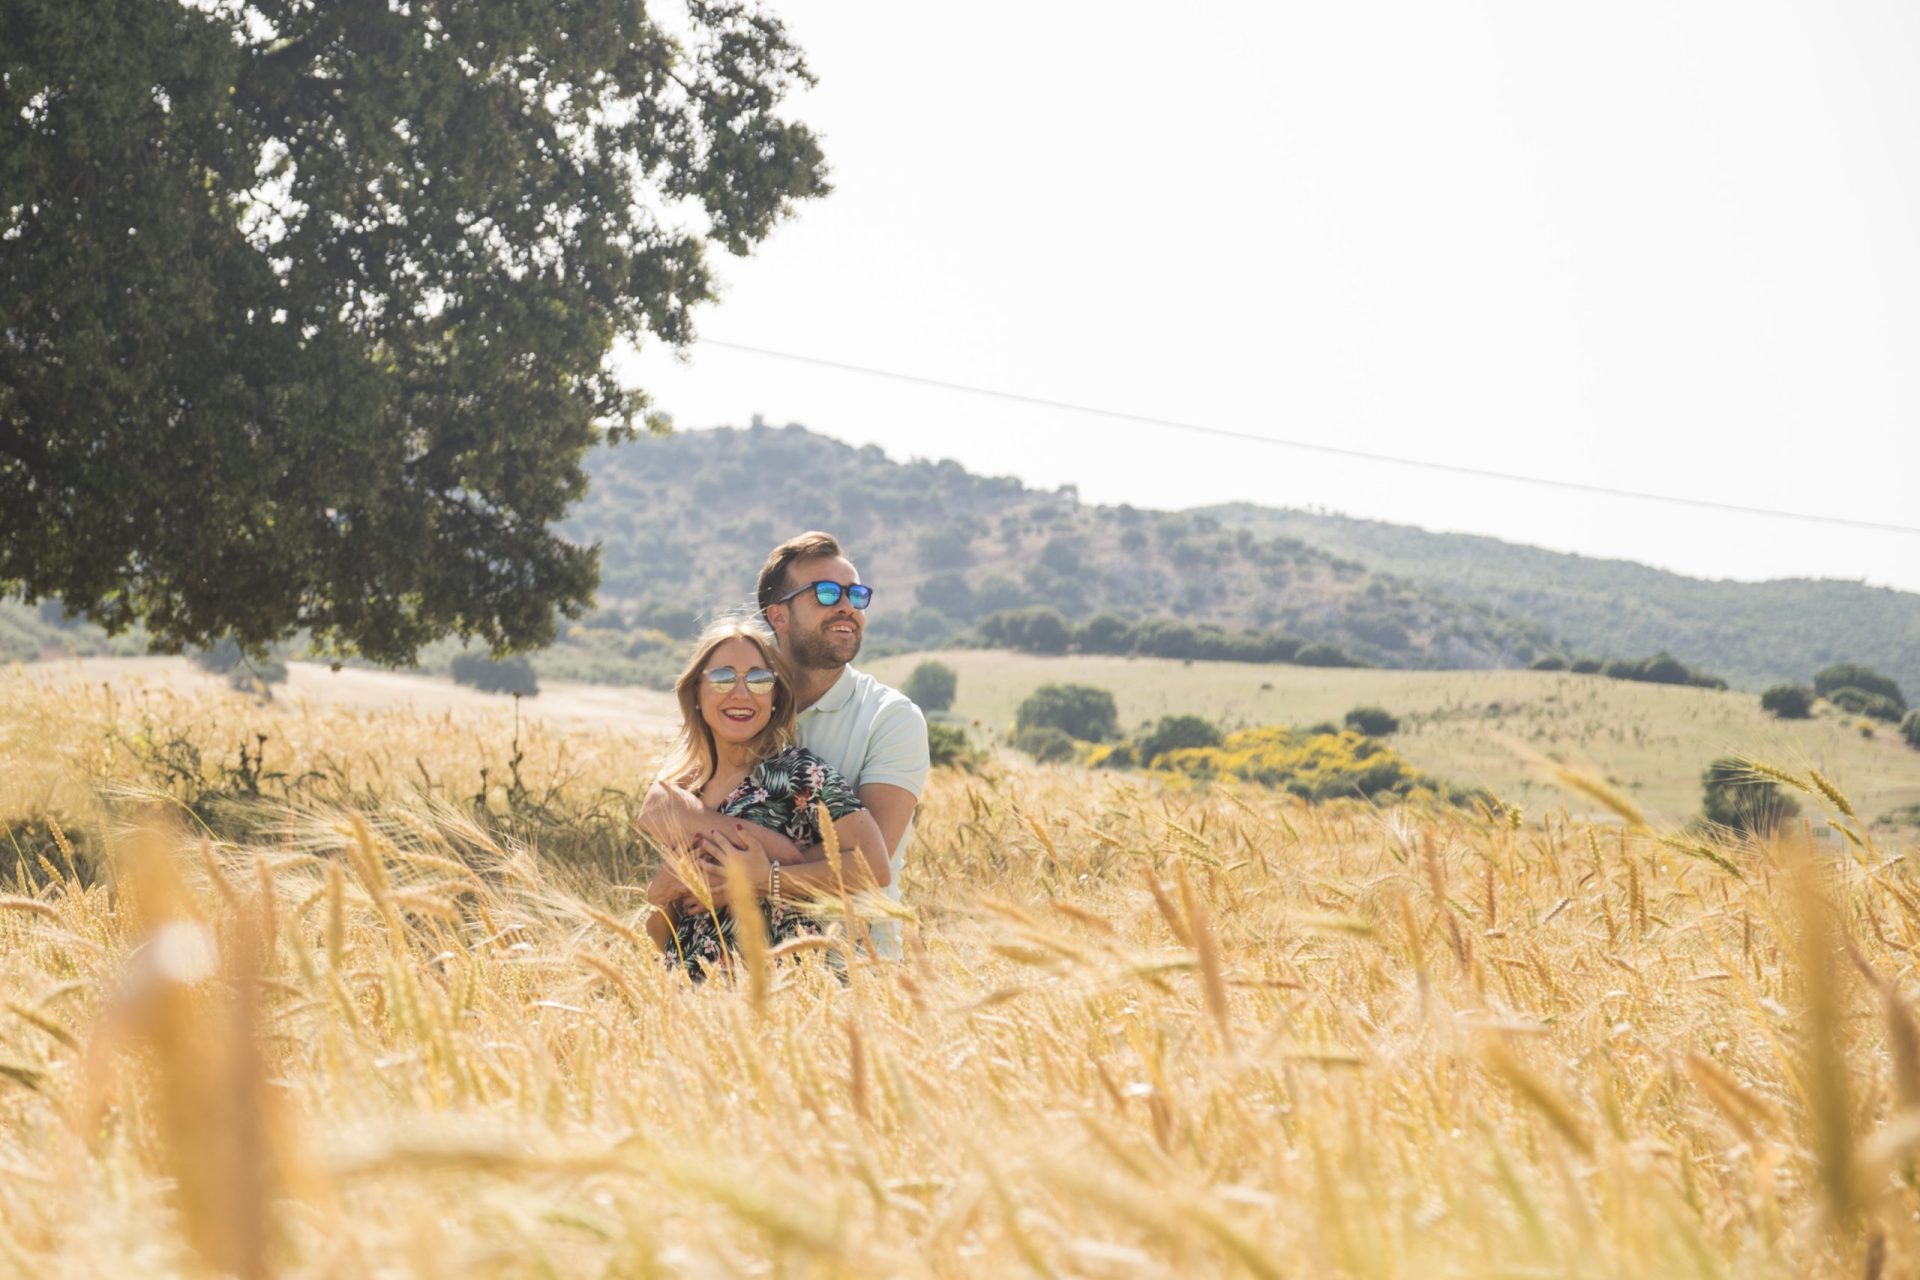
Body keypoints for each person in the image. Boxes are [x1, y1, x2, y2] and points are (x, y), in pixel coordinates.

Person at [655, 531, 930, 959]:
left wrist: (761, 874)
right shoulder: (740, 708)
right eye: (825, 593)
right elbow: (660, 805)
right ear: (778, 615)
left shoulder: (891, 718)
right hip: (722, 971)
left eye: (855, 595)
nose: (845, 606)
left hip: (845, 964)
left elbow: (867, 863)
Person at [637, 617, 891, 976]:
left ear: (775, 696)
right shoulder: (687, 788)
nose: (741, 693)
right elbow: (672, 933)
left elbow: (875, 868)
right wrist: (661, 895)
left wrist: (768, 878)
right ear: (696, 691)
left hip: (779, 1001)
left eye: (759, 680)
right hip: (690, 1006)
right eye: (724, 678)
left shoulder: (798, 774)